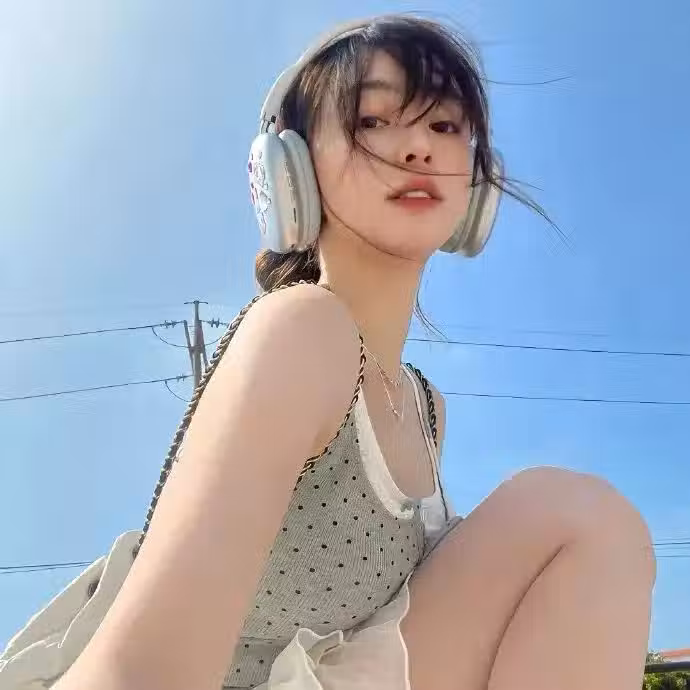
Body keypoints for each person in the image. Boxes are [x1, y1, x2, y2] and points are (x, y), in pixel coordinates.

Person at [52, 14, 655, 690]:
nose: (418, 147)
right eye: (372, 121)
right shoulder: (301, 331)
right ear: (291, 170)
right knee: (574, 514)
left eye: (444, 125)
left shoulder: (426, 408)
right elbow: (135, 670)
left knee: (578, 520)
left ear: (476, 183)